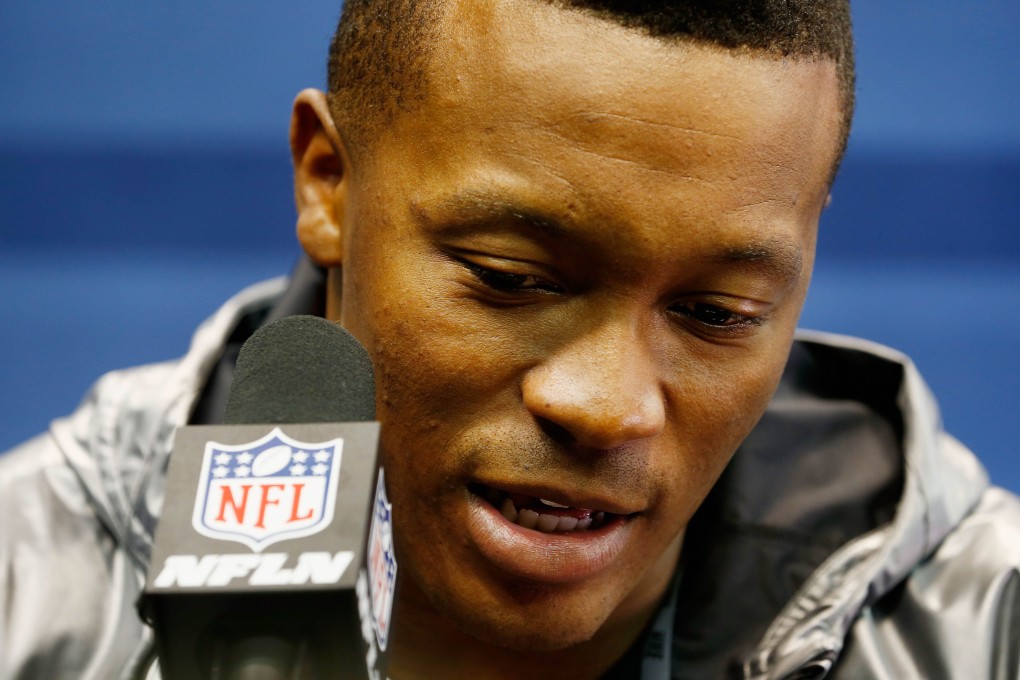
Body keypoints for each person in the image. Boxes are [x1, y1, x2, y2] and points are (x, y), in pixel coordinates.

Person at [2, 1, 1018, 678]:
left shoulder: (982, 628)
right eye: (512, 278)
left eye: (717, 314)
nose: (607, 402)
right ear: (327, 181)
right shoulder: (29, 595)